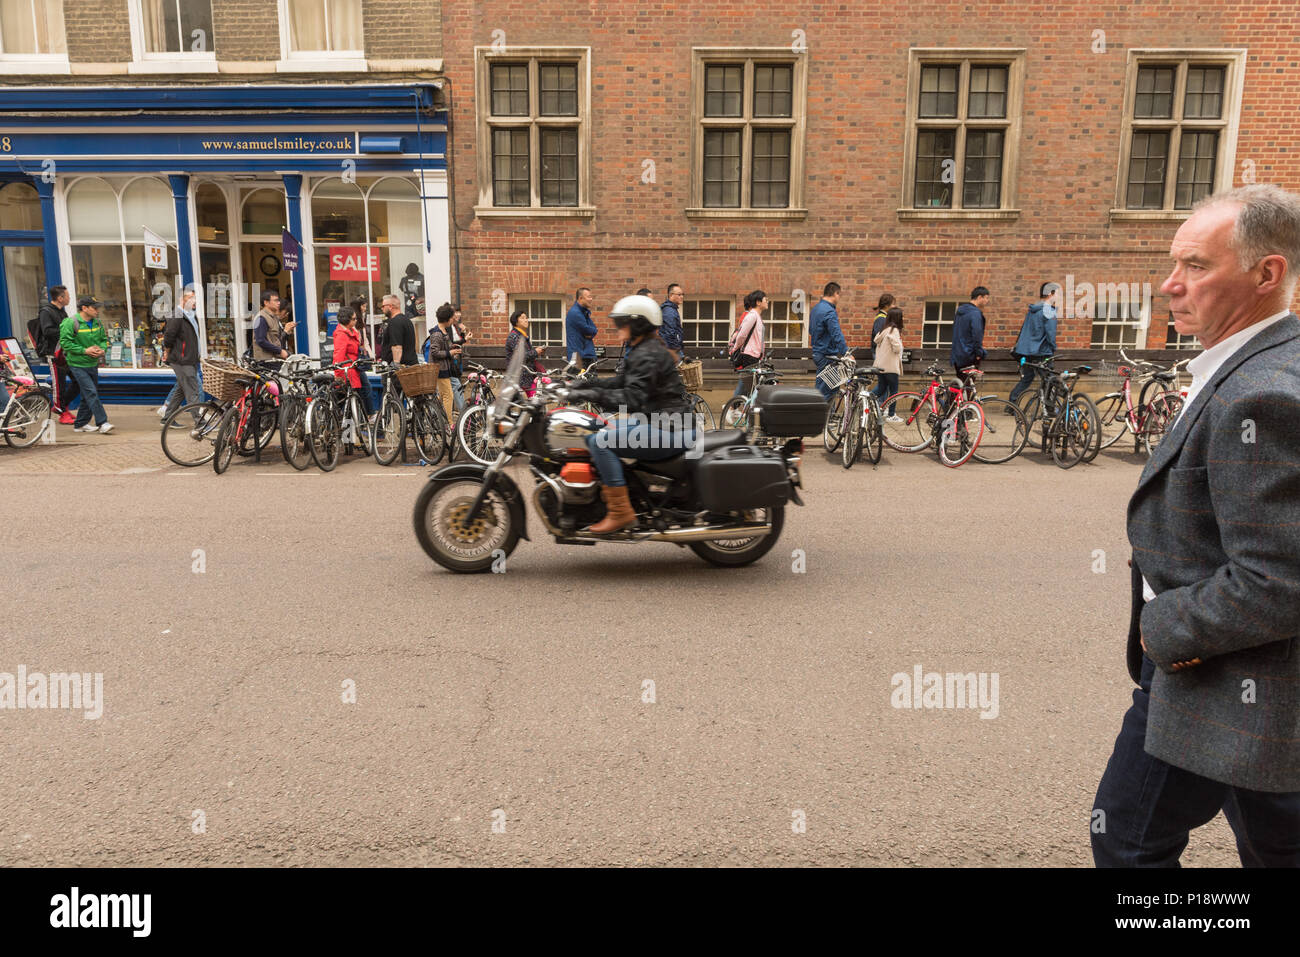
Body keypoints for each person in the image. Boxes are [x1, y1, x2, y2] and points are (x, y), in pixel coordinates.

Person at [1091, 183, 1300, 868]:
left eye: (1196, 266)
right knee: (1276, 844)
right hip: (1253, 688)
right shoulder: (1253, 363)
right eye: (1173, 263)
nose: (1169, 284)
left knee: (1126, 840)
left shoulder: (1262, 391)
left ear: (1266, 273)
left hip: (1218, 675)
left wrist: (1164, 628)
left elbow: (1277, 579)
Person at [566, 295, 693, 535]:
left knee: (600, 442)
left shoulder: (648, 354)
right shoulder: (644, 350)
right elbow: (621, 382)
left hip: (671, 428)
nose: (618, 329)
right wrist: (583, 386)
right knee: (599, 432)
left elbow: (631, 398)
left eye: (622, 323)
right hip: (666, 424)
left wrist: (591, 394)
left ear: (638, 324)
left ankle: (620, 511)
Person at [59, 296, 113, 434]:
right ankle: (103, 423)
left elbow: (103, 339)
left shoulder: (98, 323)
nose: (97, 310)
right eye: (94, 308)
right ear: (84, 308)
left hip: (92, 364)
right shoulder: (70, 322)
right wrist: (84, 350)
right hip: (77, 364)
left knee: (87, 394)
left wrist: (102, 349)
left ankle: (80, 424)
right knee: (91, 392)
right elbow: (65, 344)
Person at [1009, 282, 1059, 404]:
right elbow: (1051, 334)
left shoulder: (1033, 310)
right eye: (1057, 294)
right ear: (1050, 294)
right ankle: (1049, 407)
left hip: (1026, 352)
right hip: (1041, 352)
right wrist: (1053, 348)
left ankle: (1012, 405)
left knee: (1026, 379)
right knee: (1049, 380)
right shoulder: (1049, 311)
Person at [35, 285, 77, 424]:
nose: (69, 298)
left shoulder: (61, 312)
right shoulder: (46, 312)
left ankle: (62, 407)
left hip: (65, 353)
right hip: (53, 354)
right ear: (60, 298)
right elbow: (47, 331)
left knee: (78, 380)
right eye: (67, 295)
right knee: (59, 385)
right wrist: (67, 331)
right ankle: (61, 412)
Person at [161, 289, 202, 425]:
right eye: (191, 298)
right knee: (193, 390)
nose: (194, 301)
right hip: (182, 360)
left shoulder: (191, 315)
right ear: (182, 300)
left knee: (181, 390)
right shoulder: (177, 316)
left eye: (195, 298)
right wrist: (166, 352)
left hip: (190, 359)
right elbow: (168, 337)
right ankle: (199, 422)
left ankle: (167, 419)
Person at [332, 306, 374, 418]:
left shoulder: (351, 330)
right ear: (347, 320)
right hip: (348, 370)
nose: (356, 321)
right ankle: (352, 426)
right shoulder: (341, 334)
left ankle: (367, 417)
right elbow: (338, 355)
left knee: (365, 390)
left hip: (355, 368)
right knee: (350, 401)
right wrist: (338, 375)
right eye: (354, 319)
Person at [809, 282, 848, 399]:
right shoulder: (829, 311)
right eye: (839, 295)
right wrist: (846, 352)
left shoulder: (816, 309)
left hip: (818, 353)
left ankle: (827, 417)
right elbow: (837, 334)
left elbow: (811, 331)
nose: (839, 298)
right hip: (828, 357)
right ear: (835, 293)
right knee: (826, 394)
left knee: (827, 390)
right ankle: (820, 417)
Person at [727, 289, 767, 396]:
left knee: (749, 385)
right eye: (765, 300)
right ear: (758, 302)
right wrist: (735, 348)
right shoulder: (752, 316)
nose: (767, 301)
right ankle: (732, 409)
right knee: (746, 385)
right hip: (749, 356)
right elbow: (742, 335)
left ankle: (740, 408)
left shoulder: (756, 316)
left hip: (755, 356)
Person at [428, 303, 463, 419]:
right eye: (452, 317)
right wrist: (450, 353)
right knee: (448, 395)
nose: (454, 319)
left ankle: (434, 417)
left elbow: (444, 347)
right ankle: (449, 423)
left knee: (442, 395)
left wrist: (452, 347)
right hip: (440, 369)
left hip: (444, 368)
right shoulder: (437, 333)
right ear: (447, 319)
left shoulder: (443, 331)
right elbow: (434, 352)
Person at [871, 307, 905, 421]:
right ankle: (891, 414)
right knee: (894, 391)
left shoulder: (883, 330)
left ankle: (865, 398)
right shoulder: (894, 330)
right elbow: (897, 348)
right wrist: (900, 344)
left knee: (881, 388)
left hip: (880, 366)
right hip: (890, 367)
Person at [950, 286, 989, 384]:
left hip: (958, 355)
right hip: (969, 356)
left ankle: (950, 400)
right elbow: (977, 336)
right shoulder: (975, 314)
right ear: (980, 297)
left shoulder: (960, 312)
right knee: (967, 387)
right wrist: (979, 354)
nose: (987, 301)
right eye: (986, 298)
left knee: (960, 385)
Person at [505, 309, 545, 396]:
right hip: (518, 377)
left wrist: (537, 351)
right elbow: (521, 356)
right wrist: (535, 352)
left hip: (527, 376)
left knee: (534, 399)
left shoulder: (522, 335)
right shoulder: (514, 336)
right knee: (516, 403)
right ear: (516, 321)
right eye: (523, 318)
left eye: (526, 318)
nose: (526, 320)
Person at [252, 290, 293, 361]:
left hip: (276, 359)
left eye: (278, 300)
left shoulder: (274, 317)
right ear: (266, 303)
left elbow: (277, 339)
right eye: (276, 301)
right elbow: (261, 340)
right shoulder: (261, 318)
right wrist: (280, 351)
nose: (279, 303)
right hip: (266, 362)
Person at [446, 304, 473, 412]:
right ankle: (464, 414)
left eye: (459, 312)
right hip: (450, 360)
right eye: (455, 312)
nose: (458, 314)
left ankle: (461, 413)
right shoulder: (448, 327)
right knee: (456, 386)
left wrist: (463, 333)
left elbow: (457, 342)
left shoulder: (454, 326)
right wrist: (465, 339)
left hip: (455, 360)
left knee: (453, 388)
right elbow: (452, 344)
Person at [378, 294, 417, 366]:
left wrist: (396, 364)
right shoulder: (407, 320)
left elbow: (396, 346)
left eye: (383, 306)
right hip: (409, 366)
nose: (382, 308)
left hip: (401, 369)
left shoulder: (395, 322)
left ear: (390, 306)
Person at [565, 286, 597, 367]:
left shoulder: (583, 312)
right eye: (589, 297)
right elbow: (589, 330)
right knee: (582, 379)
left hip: (585, 355)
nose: (591, 299)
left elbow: (594, 330)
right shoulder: (576, 313)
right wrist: (591, 332)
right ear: (580, 298)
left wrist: (592, 331)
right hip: (579, 358)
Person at [660, 283, 685, 361]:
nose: (682, 297)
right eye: (679, 294)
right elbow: (670, 334)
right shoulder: (669, 311)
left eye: (682, 294)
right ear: (671, 295)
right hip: (670, 352)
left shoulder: (672, 309)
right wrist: (678, 354)